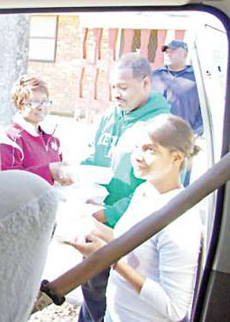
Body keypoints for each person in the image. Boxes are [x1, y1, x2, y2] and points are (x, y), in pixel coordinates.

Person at [69, 114, 201, 322]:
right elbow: (128, 242)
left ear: (177, 157)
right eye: (137, 147)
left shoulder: (180, 222)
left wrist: (110, 259)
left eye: (150, 150)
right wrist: (87, 225)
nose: (138, 156)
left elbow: (174, 309)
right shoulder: (144, 191)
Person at [79, 53, 170, 322]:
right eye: (113, 87)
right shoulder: (111, 115)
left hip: (129, 230)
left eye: (123, 87)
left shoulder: (161, 125)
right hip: (96, 216)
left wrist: (109, 213)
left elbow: (155, 188)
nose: (116, 94)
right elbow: (94, 156)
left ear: (145, 84)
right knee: (91, 286)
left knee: (112, 294)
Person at [0, 76, 70, 185]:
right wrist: (49, 172)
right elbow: (9, 181)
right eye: (33, 102)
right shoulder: (9, 138)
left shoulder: (53, 139)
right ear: (20, 105)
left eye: (44, 102)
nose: (41, 107)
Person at [152, 40, 203, 186]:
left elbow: (204, 110)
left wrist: (194, 133)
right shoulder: (155, 76)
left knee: (179, 181)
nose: (169, 54)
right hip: (156, 136)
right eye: (167, 51)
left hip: (183, 139)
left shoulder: (196, 79)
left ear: (185, 54)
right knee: (154, 176)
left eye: (173, 51)